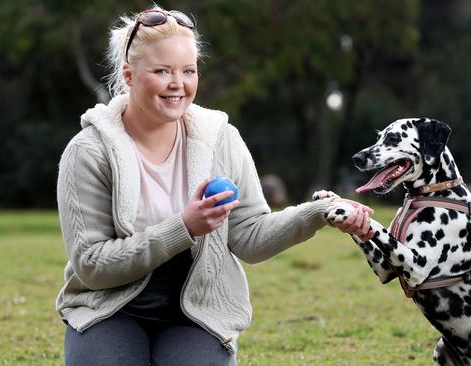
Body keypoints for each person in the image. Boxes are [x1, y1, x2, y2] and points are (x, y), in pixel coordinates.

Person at [55, 5, 375, 365]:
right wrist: (184, 227)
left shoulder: (221, 140)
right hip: (110, 306)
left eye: (188, 71)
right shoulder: (89, 152)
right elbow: (91, 264)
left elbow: (250, 238)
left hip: (197, 309)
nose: (178, 83)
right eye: (162, 71)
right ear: (129, 76)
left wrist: (318, 213)